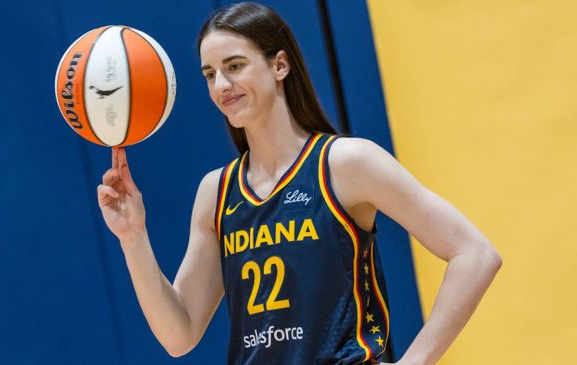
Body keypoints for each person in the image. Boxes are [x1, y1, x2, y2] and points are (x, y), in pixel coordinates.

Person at [97, 2, 502, 364]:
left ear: (279, 65)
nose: (221, 85)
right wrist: (133, 237)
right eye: (210, 74)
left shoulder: (345, 163)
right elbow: (179, 335)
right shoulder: (216, 191)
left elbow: (475, 254)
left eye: (234, 66)